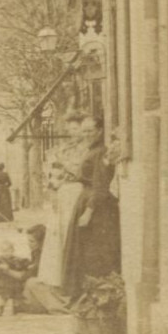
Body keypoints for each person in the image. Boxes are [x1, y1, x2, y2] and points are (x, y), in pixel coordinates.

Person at [61, 116, 122, 299]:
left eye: (90, 131)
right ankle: (83, 294)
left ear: (100, 131)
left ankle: (95, 294)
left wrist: (89, 211)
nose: (86, 134)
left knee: (94, 252)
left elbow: (100, 184)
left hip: (96, 206)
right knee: (84, 251)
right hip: (86, 199)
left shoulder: (101, 151)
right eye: (84, 130)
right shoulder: (92, 150)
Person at [0, 239, 28, 316]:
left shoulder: (16, 259)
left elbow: (22, 264)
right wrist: (1, 266)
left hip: (14, 281)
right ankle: (1, 309)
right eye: (4, 251)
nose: (6, 253)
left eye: (8, 251)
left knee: (16, 296)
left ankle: (16, 310)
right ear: (1, 251)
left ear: (12, 251)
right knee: (4, 296)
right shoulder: (0, 259)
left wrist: (23, 264)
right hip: (4, 281)